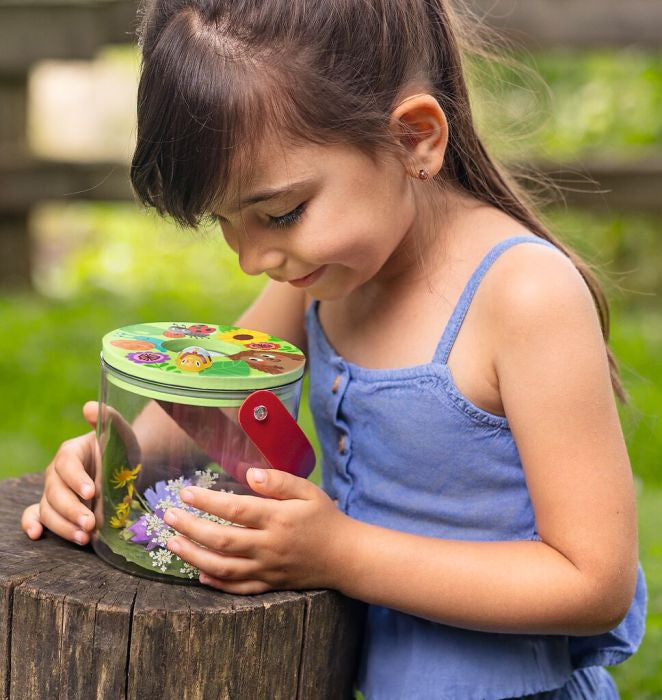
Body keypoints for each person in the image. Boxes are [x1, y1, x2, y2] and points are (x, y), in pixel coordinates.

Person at [21, 1, 646, 697]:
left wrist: (339, 553)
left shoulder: (523, 296)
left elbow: (594, 583)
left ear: (414, 138)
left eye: (281, 213)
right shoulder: (324, 279)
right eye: (226, 223)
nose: (253, 258)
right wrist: (115, 465)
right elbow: (208, 406)